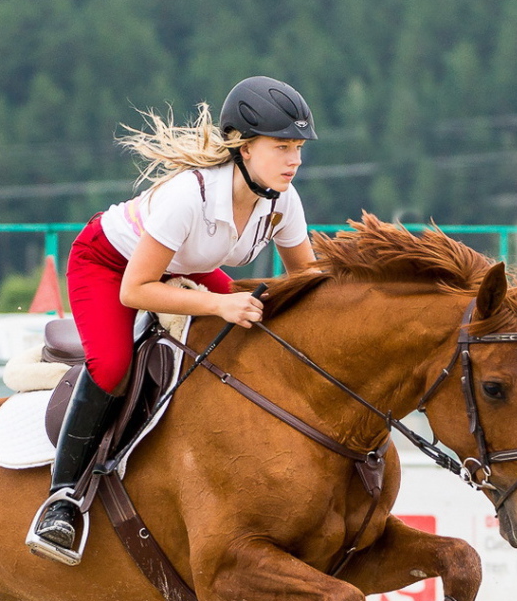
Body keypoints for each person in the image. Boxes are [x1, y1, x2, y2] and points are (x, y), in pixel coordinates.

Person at [27, 76, 318, 564]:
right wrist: (220, 304)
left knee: (261, 329)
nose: (295, 160)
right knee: (114, 365)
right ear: (244, 150)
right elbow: (136, 290)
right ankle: (62, 500)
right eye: (282, 147)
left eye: (299, 148)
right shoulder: (190, 195)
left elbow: (307, 279)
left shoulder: (282, 202)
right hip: (110, 265)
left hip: (183, 265)